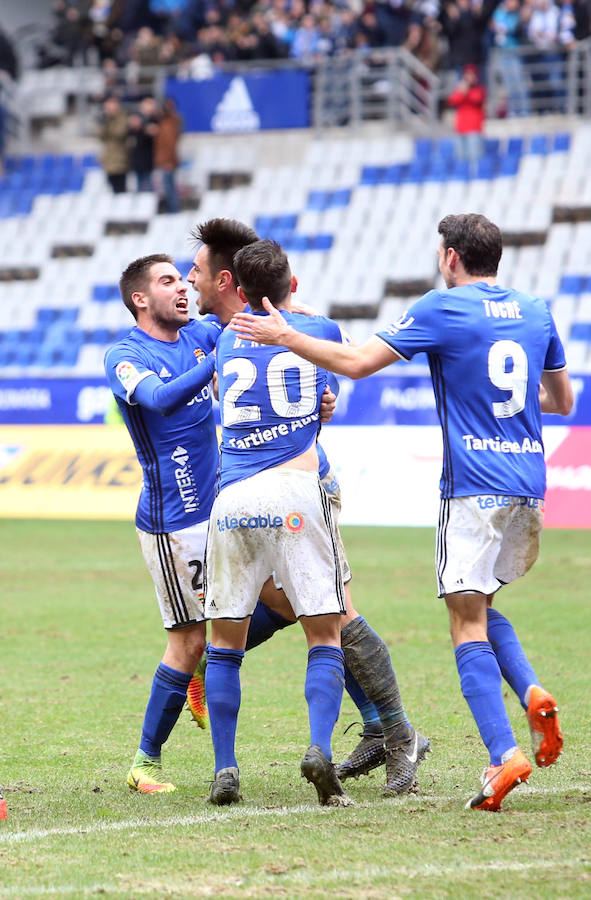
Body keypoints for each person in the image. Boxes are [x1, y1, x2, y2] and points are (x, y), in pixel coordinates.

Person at [230, 212, 574, 812]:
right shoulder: (537, 309)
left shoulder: (442, 307)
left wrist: (285, 337)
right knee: (485, 603)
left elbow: (359, 362)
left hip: (473, 486)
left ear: (449, 259)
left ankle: (502, 758)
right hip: (530, 482)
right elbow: (561, 400)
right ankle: (531, 690)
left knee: (464, 621)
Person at [188, 218, 430, 798]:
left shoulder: (224, 337)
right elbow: (325, 372)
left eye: (194, 273)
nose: (189, 283)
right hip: (289, 494)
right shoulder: (303, 325)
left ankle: (392, 731)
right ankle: (382, 729)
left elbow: (317, 388)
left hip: (263, 491)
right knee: (317, 614)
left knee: (317, 616)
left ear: (230, 284)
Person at [204, 238, 354, 808]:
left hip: (233, 497)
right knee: (325, 631)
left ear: (239, 292)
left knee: (225, 642)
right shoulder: (325, 333)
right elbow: (325, 399)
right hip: (296, 491)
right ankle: (319, 749)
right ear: (293, 284)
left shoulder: (222, 340)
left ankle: (225, 767)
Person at [104, 253, 222, 793]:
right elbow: (160, 400)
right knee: (188, 640)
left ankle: (384, 728)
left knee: (289, 604)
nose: (181, 288)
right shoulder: (125, 356)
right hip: (173, 521)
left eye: (183, 278)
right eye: (167, 281)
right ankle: (144, 763)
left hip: (224, 505)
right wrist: (215, 364)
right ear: (139, 298)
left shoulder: (203, 332)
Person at [447, 64, 486, 173]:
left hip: (474, 130)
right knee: (461, 161)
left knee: (475, 160)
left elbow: (476, 99)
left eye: (471, 75)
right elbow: (452, 100)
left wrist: (465, 91)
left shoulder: (479, 89)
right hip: (461, 130)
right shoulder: (460, 90)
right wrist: (461, 91)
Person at [98, 95, 129, 194]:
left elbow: (119, 133)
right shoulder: (106, 120)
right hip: (109, 160)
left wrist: (110, 120)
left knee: (121, 189)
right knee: (112, 189)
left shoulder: (121, 118)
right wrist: (105, 122)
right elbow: (101, 136)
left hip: (120, 160)